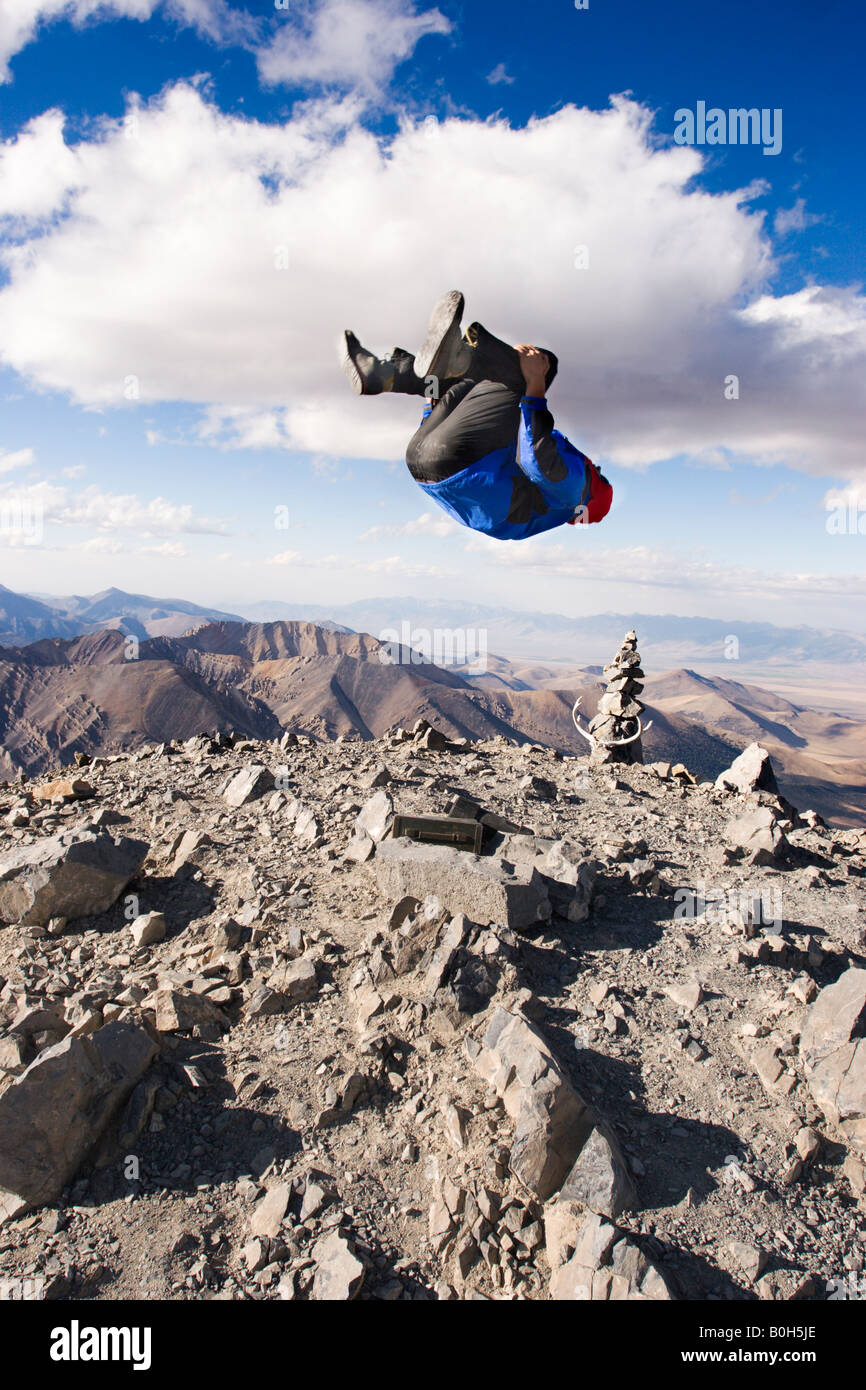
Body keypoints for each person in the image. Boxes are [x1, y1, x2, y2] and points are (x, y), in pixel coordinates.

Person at [340, 290, 612, 541]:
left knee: (542, 364)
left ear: (597, 490)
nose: (597, 468)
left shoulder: (578, 488)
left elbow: (539, 460)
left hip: (462, 459)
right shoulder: (540, 512)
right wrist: (432, 408)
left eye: (602, 475)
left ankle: (453, 360)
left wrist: (534, 383)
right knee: (460, 380)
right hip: (422, 460)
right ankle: (387, 375)